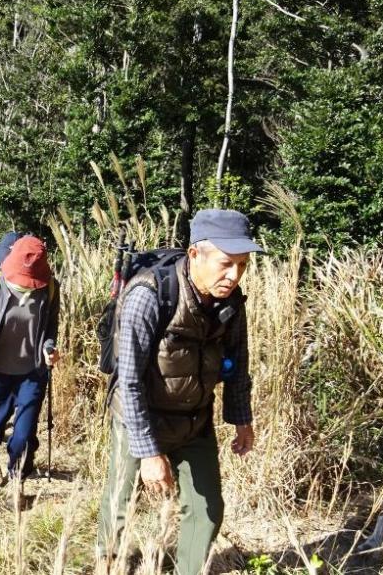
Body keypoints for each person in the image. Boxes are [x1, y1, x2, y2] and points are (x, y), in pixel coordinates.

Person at [95, 209, 261, 575]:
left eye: (243, 265)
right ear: (195, 254)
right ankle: (106, 564)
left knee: (207, 510)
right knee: (121, 502)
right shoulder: (149, 295)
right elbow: (130, 380)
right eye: (226, 263)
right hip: (140, 418)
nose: (234, 275)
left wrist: (242, 419)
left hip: (195, 420)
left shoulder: (231, 303)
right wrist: (149, 453)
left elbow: (238, 363)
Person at [0, 235, 61, 501]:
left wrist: (49, 347)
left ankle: (17, 476)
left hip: (31, 373)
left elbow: (51, 327)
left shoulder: (50, 288)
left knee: (23, 435)